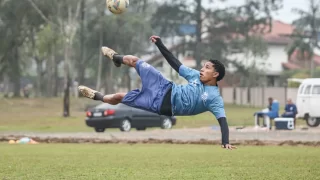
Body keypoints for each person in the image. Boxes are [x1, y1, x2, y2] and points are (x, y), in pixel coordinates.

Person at [78, 35, 236, 150]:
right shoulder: (195, 75)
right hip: (164, 86)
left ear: (215, 75)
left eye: (207, 68)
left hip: (159, 105)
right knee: (136, 61)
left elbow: (222, 121)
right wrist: (160, 44)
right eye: (203, 66)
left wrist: (225, 141)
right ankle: (116, 57)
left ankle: (95, 96)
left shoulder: (215, 98)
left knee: (120, 97)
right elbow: (175, 63)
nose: (202, 69)